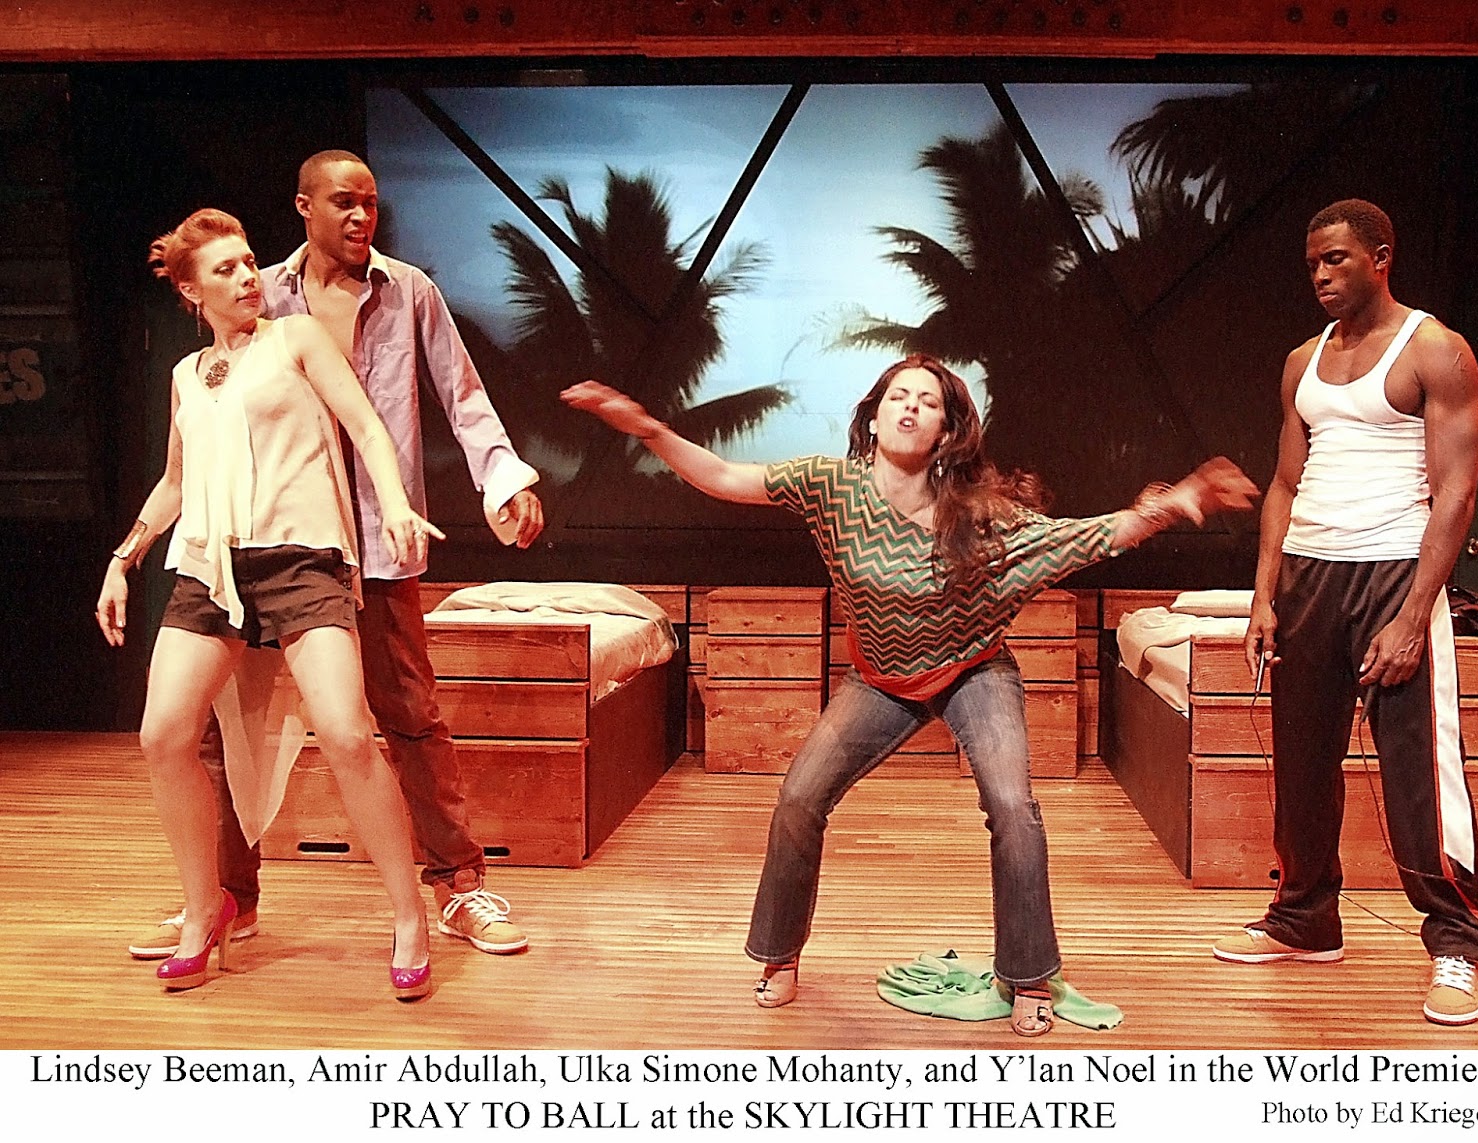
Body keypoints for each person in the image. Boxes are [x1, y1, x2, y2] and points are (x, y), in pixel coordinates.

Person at [563, 356, 1257, 1036]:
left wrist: (1172, 505)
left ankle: (1028, 974)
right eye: (898, 395)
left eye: (927, 401)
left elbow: (1081, 539)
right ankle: (780, 954)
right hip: (880, 679)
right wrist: (648, 428)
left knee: (1013, 808)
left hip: (974, 669)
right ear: (873, 416)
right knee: (799, 797)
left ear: (945, 430)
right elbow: (722, 475)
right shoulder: (831, 486)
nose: (910, 407)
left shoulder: (979, 514)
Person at [126, 151, 543, 962]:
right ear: (304, 207)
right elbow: (195, 442)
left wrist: (503, 480)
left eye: (371, 204)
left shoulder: (408, 290)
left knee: (406, 714)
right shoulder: (258, 291)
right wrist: (132, 548)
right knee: (211, 729)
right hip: (261, 546)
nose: (360, 217)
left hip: (375, 540)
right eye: (344, 203)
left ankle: (456, 885)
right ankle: (225, 898)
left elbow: (462, 396)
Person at [97, 208, 438, 998]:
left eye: (249, 261)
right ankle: (203, 907)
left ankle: (409, 915)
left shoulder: (297, 340)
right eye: (226, 269)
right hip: (210, 569)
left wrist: (394, 504)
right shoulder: (187, 376)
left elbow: (367, 428)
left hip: (301, 561)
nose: (248, 276)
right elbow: (176, 481)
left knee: (347, 733)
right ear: (192, 291)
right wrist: (123, 558)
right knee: (163, 735)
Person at [1212, 199, 1478, 1026]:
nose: (1321, 275)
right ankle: (1305, 918)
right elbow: (1284, 483)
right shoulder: (1301, 361)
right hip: (1309, 573)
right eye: (1312, 263)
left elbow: (1457, 493)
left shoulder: (1435, 349)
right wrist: (1264, 595)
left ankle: (1460, 938)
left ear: (1381, 256)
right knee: (1302, 764)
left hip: (1394, 570)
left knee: (1418, 772)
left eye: (1336, 259)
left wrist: (1413, 614)